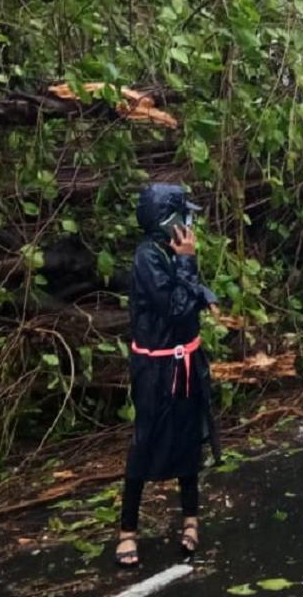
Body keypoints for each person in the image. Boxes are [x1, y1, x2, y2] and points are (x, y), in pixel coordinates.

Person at [116, 184, 220, 568]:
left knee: (188, 438)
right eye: (184, 216)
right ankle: (128, 530)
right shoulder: (148, 256)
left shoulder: (167, 251)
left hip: (185, 362)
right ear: (167, 221)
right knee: (146, 442)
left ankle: (190, 519)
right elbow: (176, 306)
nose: (190, 223)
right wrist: (188, 262)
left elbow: (187, 292)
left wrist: (203, 292)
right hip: (156, 369)